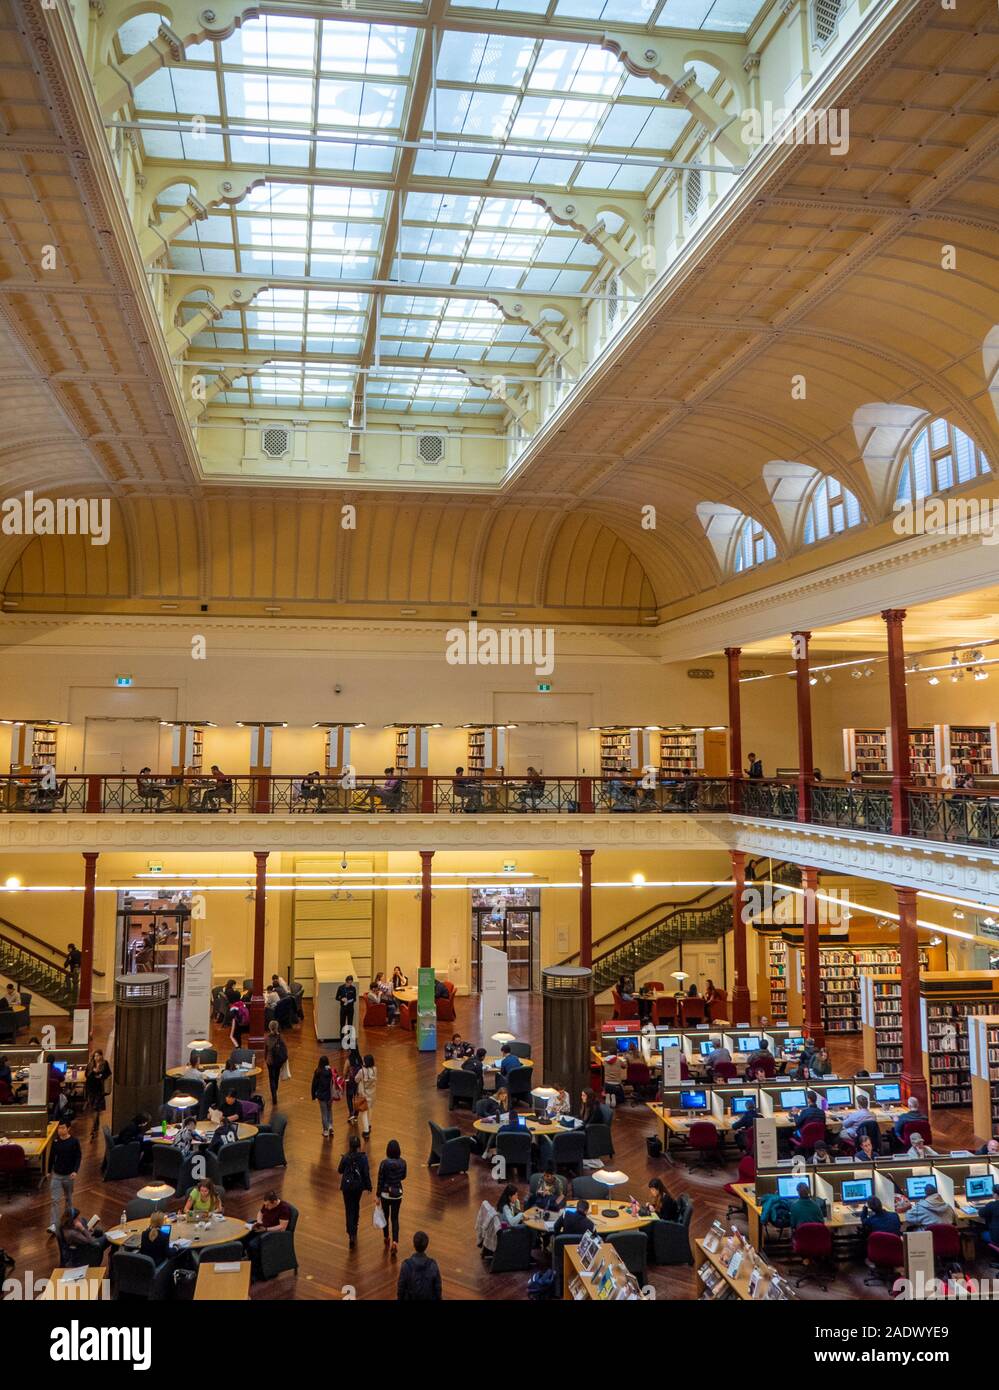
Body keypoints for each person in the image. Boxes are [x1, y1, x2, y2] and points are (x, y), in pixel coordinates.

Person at [338, 1134, 372, 1250]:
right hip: (358, 1187)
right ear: (359, 1146)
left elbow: (340, 1170)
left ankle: (350, 1233)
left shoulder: (346, 1157)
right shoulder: (363, 1158)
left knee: (348, 1208)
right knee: (356, 1206)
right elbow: (366, 1173)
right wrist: (369, 1186)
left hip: (347, 1187)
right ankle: (355, 1229)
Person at [47, 1120, 81, 1234]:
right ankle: (53, 1224)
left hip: (68, 1176)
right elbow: (51, 1157)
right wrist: (48, 1171)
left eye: (62, 1128)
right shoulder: (56, 1141)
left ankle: (68, 1221)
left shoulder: (74, 1141)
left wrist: (75, 1171)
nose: (60, 1130)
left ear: (68, 1128)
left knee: (69, 1199)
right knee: (54, 1200)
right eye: (59, 1128)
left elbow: (78, 1157)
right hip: (57, 1175)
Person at [377, 1138, 407, 1256]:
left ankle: (386, 1237)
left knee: (385, 1216)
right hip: (397, 1194)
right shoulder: (403, 1163)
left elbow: (380, 1180)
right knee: (395, 1218)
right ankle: (395, 1242)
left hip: (385, 1194)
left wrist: (377, 1196)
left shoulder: (384, 1163)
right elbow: (403, 1177)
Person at [397, 1230, 442, 1301]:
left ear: (414, 1245)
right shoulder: (433, 1264)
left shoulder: (406, 1265)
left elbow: (401, 1287)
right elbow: (438, 1288)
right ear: (426, 1245)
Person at [83, 1049, 111, 1139]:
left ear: (101, 1056)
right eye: (95, 1056)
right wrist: (93, 1074)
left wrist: (101, 1075)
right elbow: (86, 1075)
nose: (97, 1057)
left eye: (98, 1055)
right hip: (91, 1089)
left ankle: (93, 1128)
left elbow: (108, 1074)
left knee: (96, 1108)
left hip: (99, 1090)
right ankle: (96, 1123)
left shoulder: (105, 1064)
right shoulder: (90, 1064)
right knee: (93, 1108)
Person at [311, 1054, 338, 1139]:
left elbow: (314, 1084)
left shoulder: (318, 1071)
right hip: (330, 1094)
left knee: (324, 1112)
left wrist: (313, 1095)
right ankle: (330, 1126)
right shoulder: (331, 1071)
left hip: (321, 1095)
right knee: (329, 1110)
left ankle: (325, 1130)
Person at [264, 1019, 287, 1107]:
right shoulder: (281, 1037)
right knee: (276, 1076)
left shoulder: (267, 1038)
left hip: (270, 1061)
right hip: (278, 1061)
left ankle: (273, 1094)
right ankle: (275, 1090)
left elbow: (265, 1051)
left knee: (271, 1077)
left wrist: (265, 1058)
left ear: (269, 1027)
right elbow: (284, 1048)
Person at [357, 1053, 377, 1139]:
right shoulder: (375, 1069)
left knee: (363, 1112)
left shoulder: (362, 1071)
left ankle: (366, 1131)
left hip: (364, 1094)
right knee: (370, 1109)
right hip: (372, 1093)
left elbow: (356, 1079)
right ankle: (369, 1124)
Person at [978, 1184, 999, 1249]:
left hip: (996, 1238)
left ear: (995, 1194)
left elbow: (980, 1213)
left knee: (979, 1232)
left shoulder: (992, 1205)